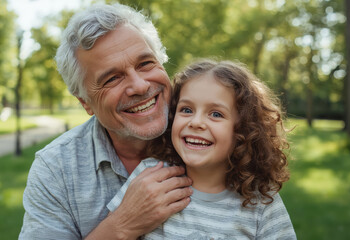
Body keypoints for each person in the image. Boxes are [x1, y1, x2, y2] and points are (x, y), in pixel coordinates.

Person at [19, 3, 193, 240]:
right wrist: (123, 225)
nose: (140, 86)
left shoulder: (214, 137)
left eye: (145, 64)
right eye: (112, 78)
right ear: (85, 103)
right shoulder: (55, 169)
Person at [108, 59, 297, 239]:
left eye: (215, 114)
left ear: (243, 129)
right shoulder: (151, 175)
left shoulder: (261, 202)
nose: (196, 122)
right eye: (187, 110)